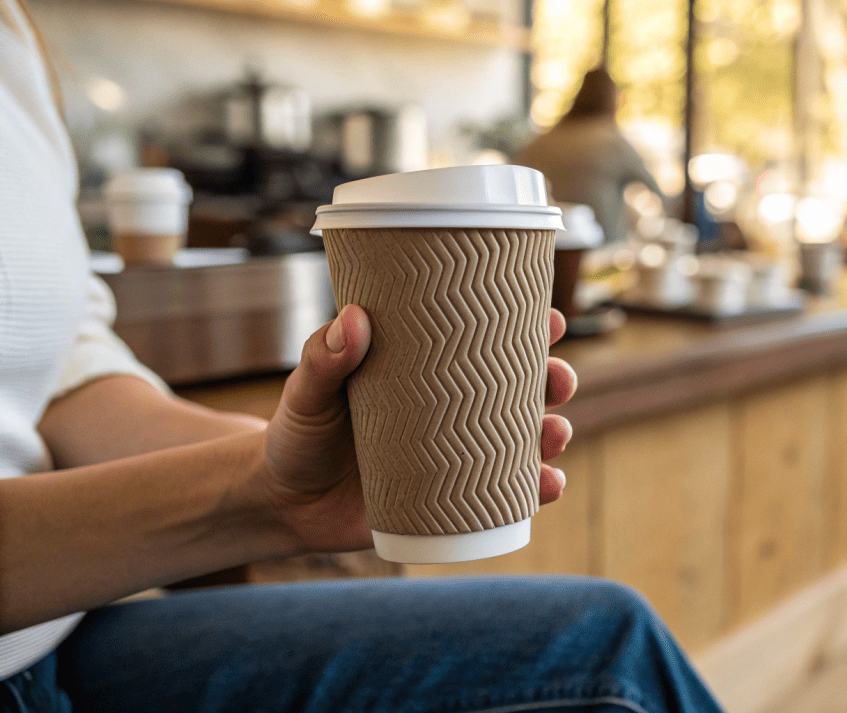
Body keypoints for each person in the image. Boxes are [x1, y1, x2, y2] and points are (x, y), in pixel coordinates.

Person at [0, 3, 723, 711]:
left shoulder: (15, 42)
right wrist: (257, 497)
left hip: (62, 636)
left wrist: (297, 461)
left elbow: (63, 366)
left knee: (611, 637)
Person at [514, 68, 662, 245]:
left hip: (549, 244)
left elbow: (514, 171)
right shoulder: (610, 139)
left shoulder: (546, 139)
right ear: (611, 99)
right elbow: (651, 184)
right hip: (603, 245)